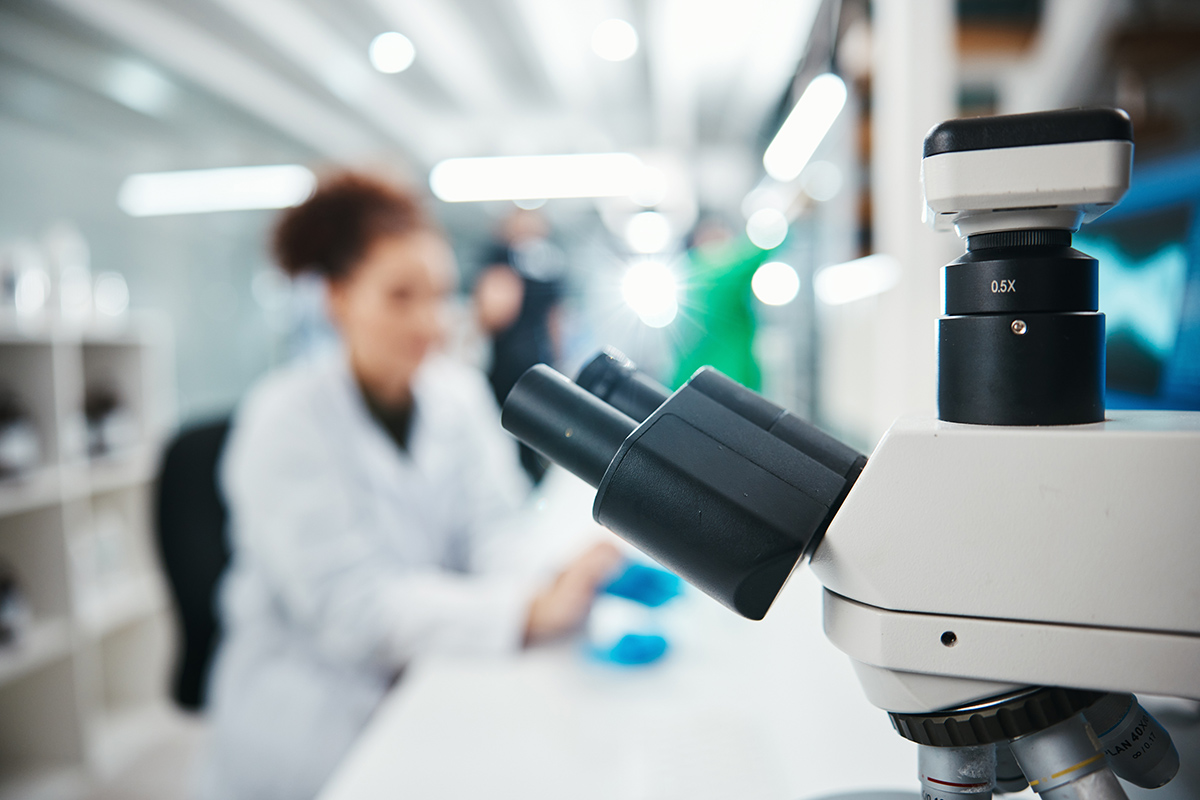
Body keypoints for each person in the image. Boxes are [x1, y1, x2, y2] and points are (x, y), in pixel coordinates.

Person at [197, 174, 620, 800]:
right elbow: (351, 611)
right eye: (400, 296)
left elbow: (496, 530)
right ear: (338, 297)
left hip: (436, 677)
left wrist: (549, 582)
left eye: (440, 295)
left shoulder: (455, 393)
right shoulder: (282, 419)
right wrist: (523, 611)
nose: (430, 321)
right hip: (314, 724)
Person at [474, 209, 566, 483]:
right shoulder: (544, 263)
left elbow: (495, 312)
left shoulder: (504, 260)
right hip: (532, 366)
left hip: (512, 366)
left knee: (508, 443)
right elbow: (555, 323)